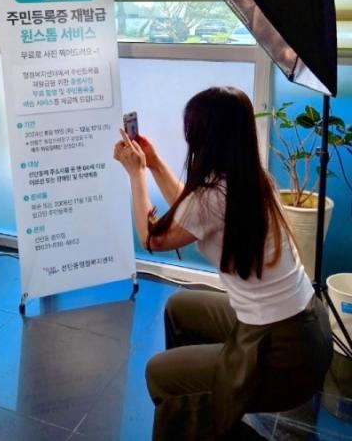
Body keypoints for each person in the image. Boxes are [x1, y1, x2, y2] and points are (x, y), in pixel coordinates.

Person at [113, 87, 333, 440]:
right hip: (309, 328)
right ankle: (202, 417)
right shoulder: (254, 179)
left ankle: (197, 409)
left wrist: (135, 173)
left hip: (285, 353)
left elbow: (152, 239)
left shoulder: (213, 197)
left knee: (159, 374)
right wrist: (153, 163)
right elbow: (193, 214)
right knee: (180, 309)